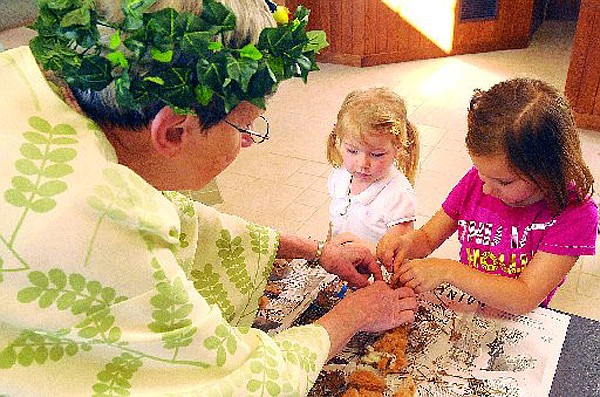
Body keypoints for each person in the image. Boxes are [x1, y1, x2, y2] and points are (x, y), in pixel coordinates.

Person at [0, 0, 417, 395]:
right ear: (174, 131)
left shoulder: (32, 79)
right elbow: (237, 380)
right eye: (246, 127)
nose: (249, 143)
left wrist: (314, 251)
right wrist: (357, 313)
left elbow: (167, 213)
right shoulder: (93, 228)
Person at [377, 77, 598, 315]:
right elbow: (429, 237)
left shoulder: (576, 215)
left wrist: (449, 271)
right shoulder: (478, 180)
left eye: (504, 182)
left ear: (548, 171)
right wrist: (406, 244)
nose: (486, 189)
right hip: (469, 304)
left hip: (516, 317)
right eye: (482, 174)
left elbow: (524, 297)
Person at [326, 87, 420, 251]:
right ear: (339, 142)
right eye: (352, 151)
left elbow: (397, 255)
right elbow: (335, 224)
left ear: (397, 148)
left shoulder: (398, 196)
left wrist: (361, 251)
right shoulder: (339, 176)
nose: (363, 163)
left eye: (376, 155)